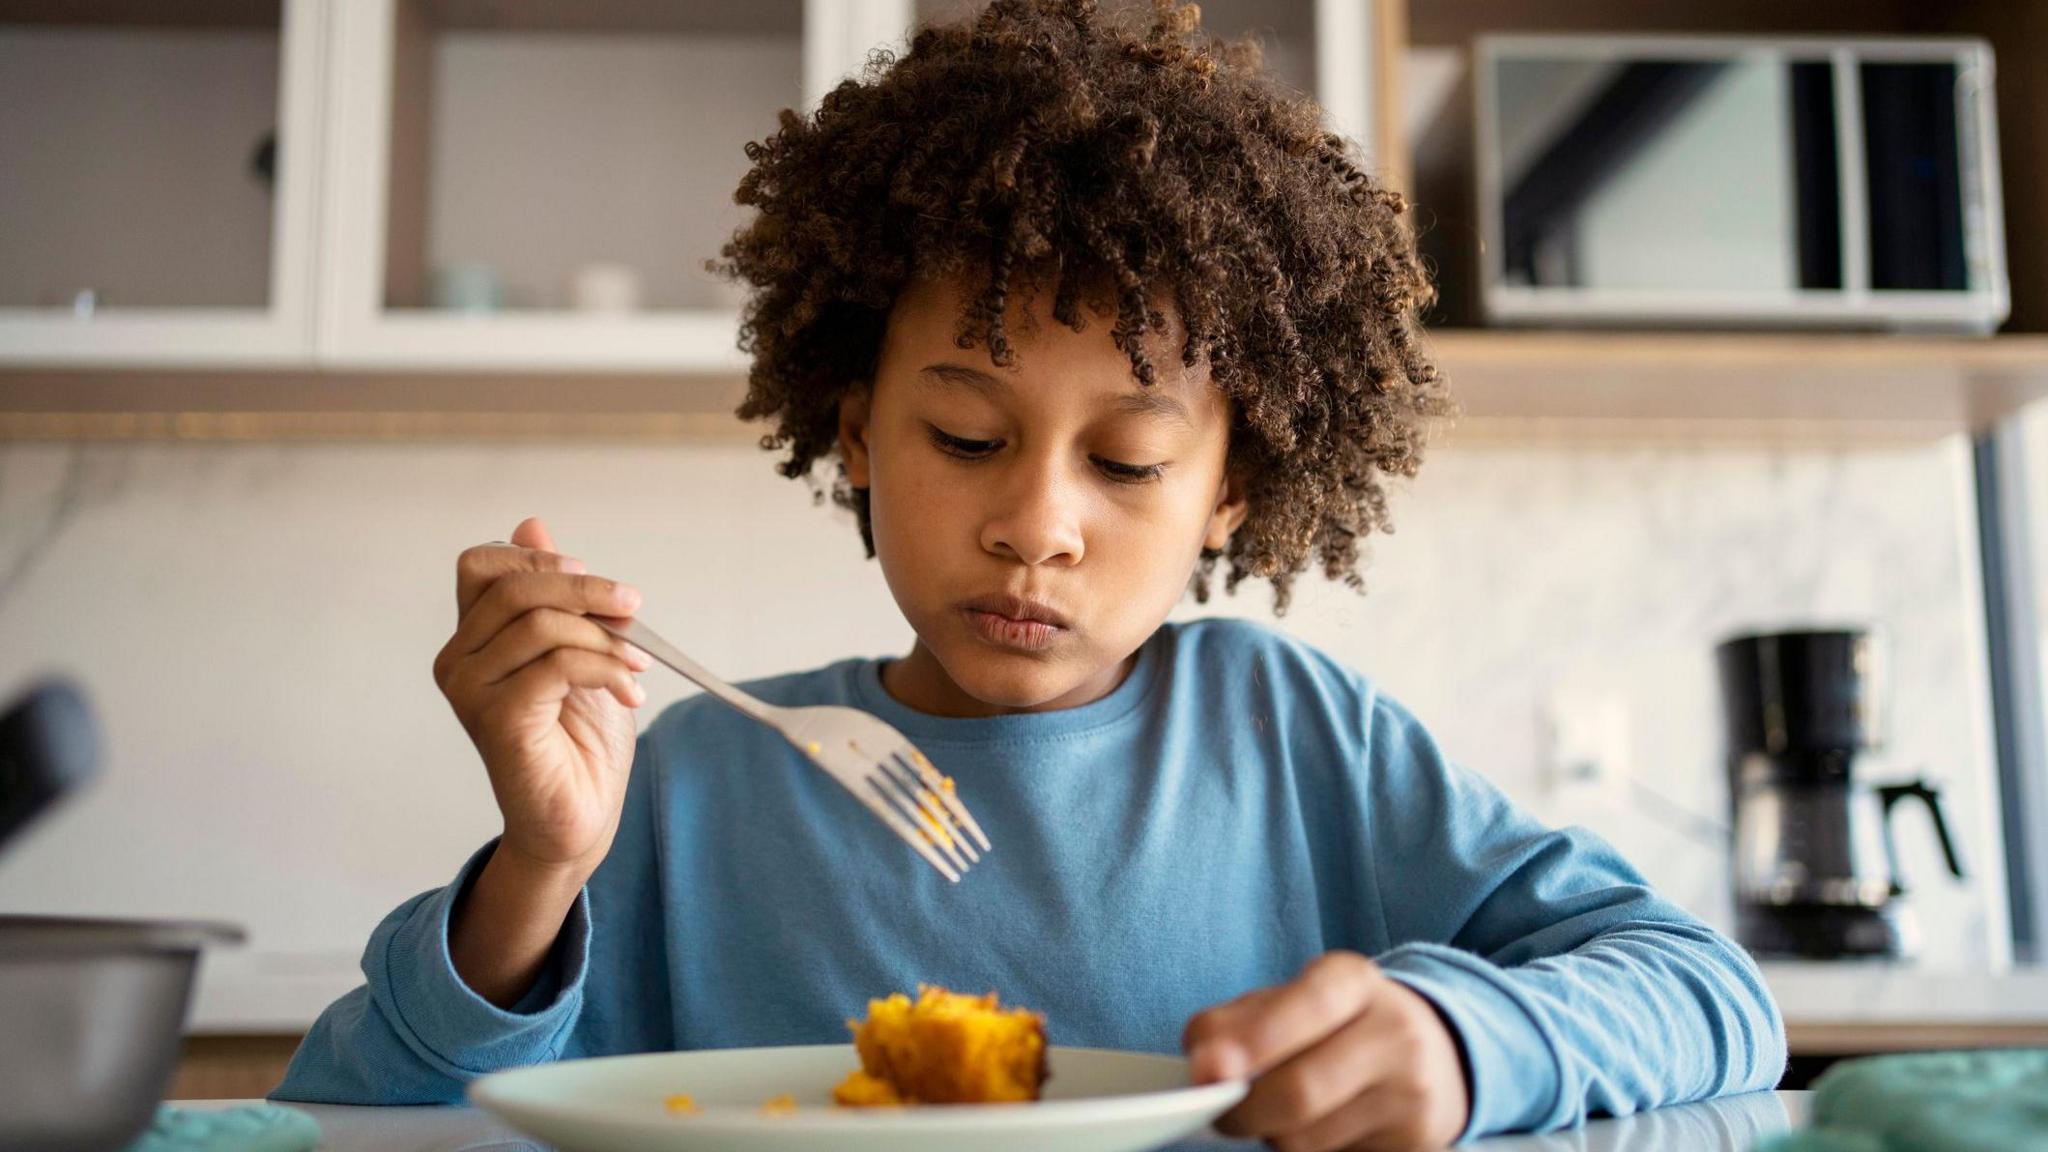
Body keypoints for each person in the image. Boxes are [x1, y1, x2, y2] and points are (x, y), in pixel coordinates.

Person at [270, 3, 1786, 1147]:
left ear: (1229, 489)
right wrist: (538, 869)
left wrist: (1465, 1044)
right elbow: (348, 1119)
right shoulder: (700, 782)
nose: (1037, 526)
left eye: (1126, 463)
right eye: (966, 433)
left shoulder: (1292, 736)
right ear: (857, 435)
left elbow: (1717, 999)